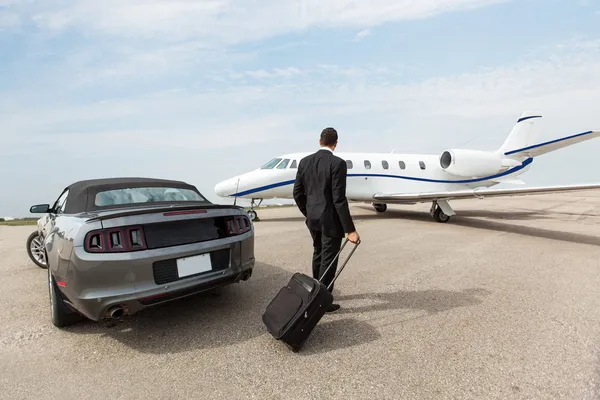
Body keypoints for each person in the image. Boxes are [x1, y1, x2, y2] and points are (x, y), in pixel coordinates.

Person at [293, 127, 360, 312]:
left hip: (313, 219)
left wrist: (308, 212)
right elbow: (338, 198)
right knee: (328, 260)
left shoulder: (304, 162)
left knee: (318, 253)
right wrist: (350, 230)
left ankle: (315, 292)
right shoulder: (337, 163)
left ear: (319, 141)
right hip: (330, 220)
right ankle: (322, 301)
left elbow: (297, 193)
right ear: (336, 143)